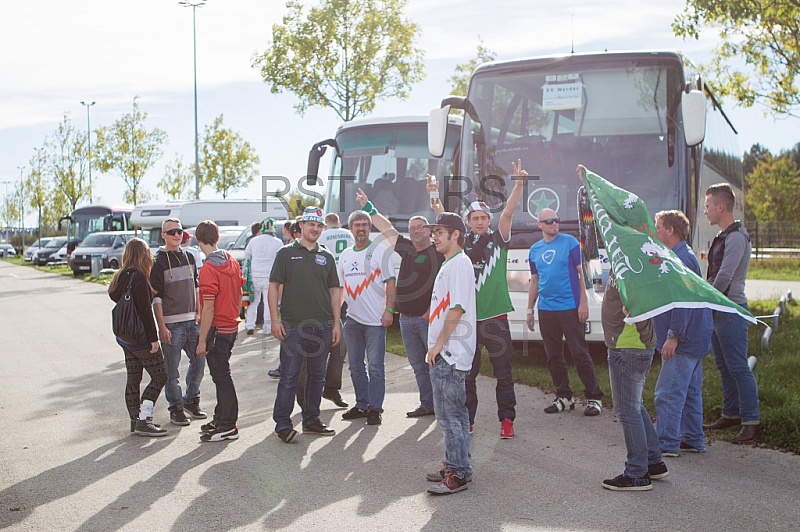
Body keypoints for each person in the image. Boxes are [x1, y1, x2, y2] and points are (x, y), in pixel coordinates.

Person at [429, 160, 528, 438]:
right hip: (469, 323)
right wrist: (434, 194)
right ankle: (468, 421)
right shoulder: (461, 243)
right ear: (468, 223)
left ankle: (506, 421)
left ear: (489, 220)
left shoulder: (500, 238)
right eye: (475, 219)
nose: (481, 222)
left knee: (503, 374)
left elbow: (508, 212)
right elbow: (442, 219)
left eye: (484, 218)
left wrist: (519, 183)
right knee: (467, 375)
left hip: (496, 318)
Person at [357, 189, 443, 418]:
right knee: (418, 366)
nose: (415, 231)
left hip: (427, 319)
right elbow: (386, 228)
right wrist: (369, 208)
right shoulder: (406, 249)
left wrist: (428, 312)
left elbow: (444, 288)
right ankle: (428, 405)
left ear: (430, 230)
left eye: (420, 227)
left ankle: (442, 405)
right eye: (412, 228)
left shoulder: (439, 252)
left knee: (436, 364)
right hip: (405, 319)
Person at [269, 206, 342, 443]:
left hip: (322, 326)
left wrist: (336, 324)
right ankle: (282, 424)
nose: (316, 229)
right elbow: (273, 287)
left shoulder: (327, 256)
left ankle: (311, 420)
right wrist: (274, 319)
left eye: (320, 226)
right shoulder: (285, 253)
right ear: (301, 225)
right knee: (289, 376)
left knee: (317, 376)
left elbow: (334, 292)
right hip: (293, 326)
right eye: (312, 224)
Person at [526, 207, 604, 416]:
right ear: (540, 225)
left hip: (570, 307)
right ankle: (564, 396)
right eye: (549, 221)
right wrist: (529, 310)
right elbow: (534, 281)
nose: (554, 224)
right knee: (553, 356)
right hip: (546, 309)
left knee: (579, 352)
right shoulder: (534, 250)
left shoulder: (570, 243)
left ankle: (594, 397)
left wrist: (583, 303)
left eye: (556, 220)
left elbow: (582, 274)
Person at [423, 212, 476, 495]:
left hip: (451, 353)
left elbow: (457, 309)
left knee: (449, 416)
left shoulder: (459, 264)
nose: (435, 236)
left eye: (440, 231)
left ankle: (457, 474)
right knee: (454, 413)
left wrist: (438, 345)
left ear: (455, 234)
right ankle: (458, 466)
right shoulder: (451, 264)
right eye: (434, 231)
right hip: (449, 352)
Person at [652, 210, 713, 456]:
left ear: (670, 230)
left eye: (658, 227)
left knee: (667, 394)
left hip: (684, 339)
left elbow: (683, 300)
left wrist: (674, 334)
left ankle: (666, 443)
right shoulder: (681, 255)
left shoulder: (681, 259)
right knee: (689, 392)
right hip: (695, 335)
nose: (656, 232)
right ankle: (694, 438)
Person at [702, 184, 759, 443]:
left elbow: (725, 275)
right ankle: (731, 413)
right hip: (719, 310)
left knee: (738, 366)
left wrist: (706, 299)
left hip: (731, 311)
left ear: (721, 207)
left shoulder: (736, 237)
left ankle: (750, 419)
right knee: (724, 365)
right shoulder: (723, 235)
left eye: (708, 206)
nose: (706, 211)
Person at [601, 271, 668, 491]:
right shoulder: (622, 256)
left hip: (628, 345)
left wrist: (635, 307)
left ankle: (637, 472)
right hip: (628, 344)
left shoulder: (631, 260)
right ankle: (653, 462)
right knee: (634, 405)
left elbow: (645, 296)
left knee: (627, 410)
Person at [338, 206, 397, 426]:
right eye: (357, 225)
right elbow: (341, 288)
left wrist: (389, 310)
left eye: (364, 225)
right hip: (352, 319)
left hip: (375, 321)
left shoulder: (380, 251)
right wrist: (336, 316)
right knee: (355, 365)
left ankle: (375, 407)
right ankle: (361, 404)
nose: (361, 228)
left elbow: (390, 281)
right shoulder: (345, 255)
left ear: (370, 228)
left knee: (375, 366)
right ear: (351, 228)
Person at [108, 237, 167, 437]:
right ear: (143, 255)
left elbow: (114, 297)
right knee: (160, 376)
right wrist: (154, 338)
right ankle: (144, 418)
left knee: (133, 378)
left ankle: (135, 420)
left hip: (125, 337)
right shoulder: (140, 277)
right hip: (141, 338)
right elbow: (144, 311)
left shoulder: (120, 276)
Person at [296, 212, 355, 409]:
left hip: (337, 297)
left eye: (318, 225)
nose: (315, 229)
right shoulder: (306, 247)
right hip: (315, 302)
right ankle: (303, 395)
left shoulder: (329, 246)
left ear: (325, 226)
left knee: (339, 349)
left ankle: (331, 389)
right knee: (308, 352)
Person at [150, 217, 205, 426]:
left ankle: (191, 400)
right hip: (172, 325)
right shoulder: (158, 261)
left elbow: (197, 288)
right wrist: (161, 326)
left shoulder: (190, 257)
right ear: (163, 235)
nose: (176, 235)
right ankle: (176, 408)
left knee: (199, 361)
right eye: (171, 232)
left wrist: (199, 313)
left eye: (179, 231)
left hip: (193, 322)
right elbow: (156, 297)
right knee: (171, 371)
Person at [195, 220, 245, 442]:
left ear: (198, 241)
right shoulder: (231, 261)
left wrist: (202, 340)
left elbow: (209, 306)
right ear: (216, 238)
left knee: (222, 377)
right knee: (220, 376)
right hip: (231, 326)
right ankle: (220, 417)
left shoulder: (208, 268)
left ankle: (228, 425)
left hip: (217, 329)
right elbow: (240, 288)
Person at [243, 219, 283, 336]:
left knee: (253, 302)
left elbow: (247, 258)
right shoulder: (278, 242)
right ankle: (267, 328)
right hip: (270, 277)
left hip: (255, 275)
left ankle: (250, 325)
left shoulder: (253, 241)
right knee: (268, 302)